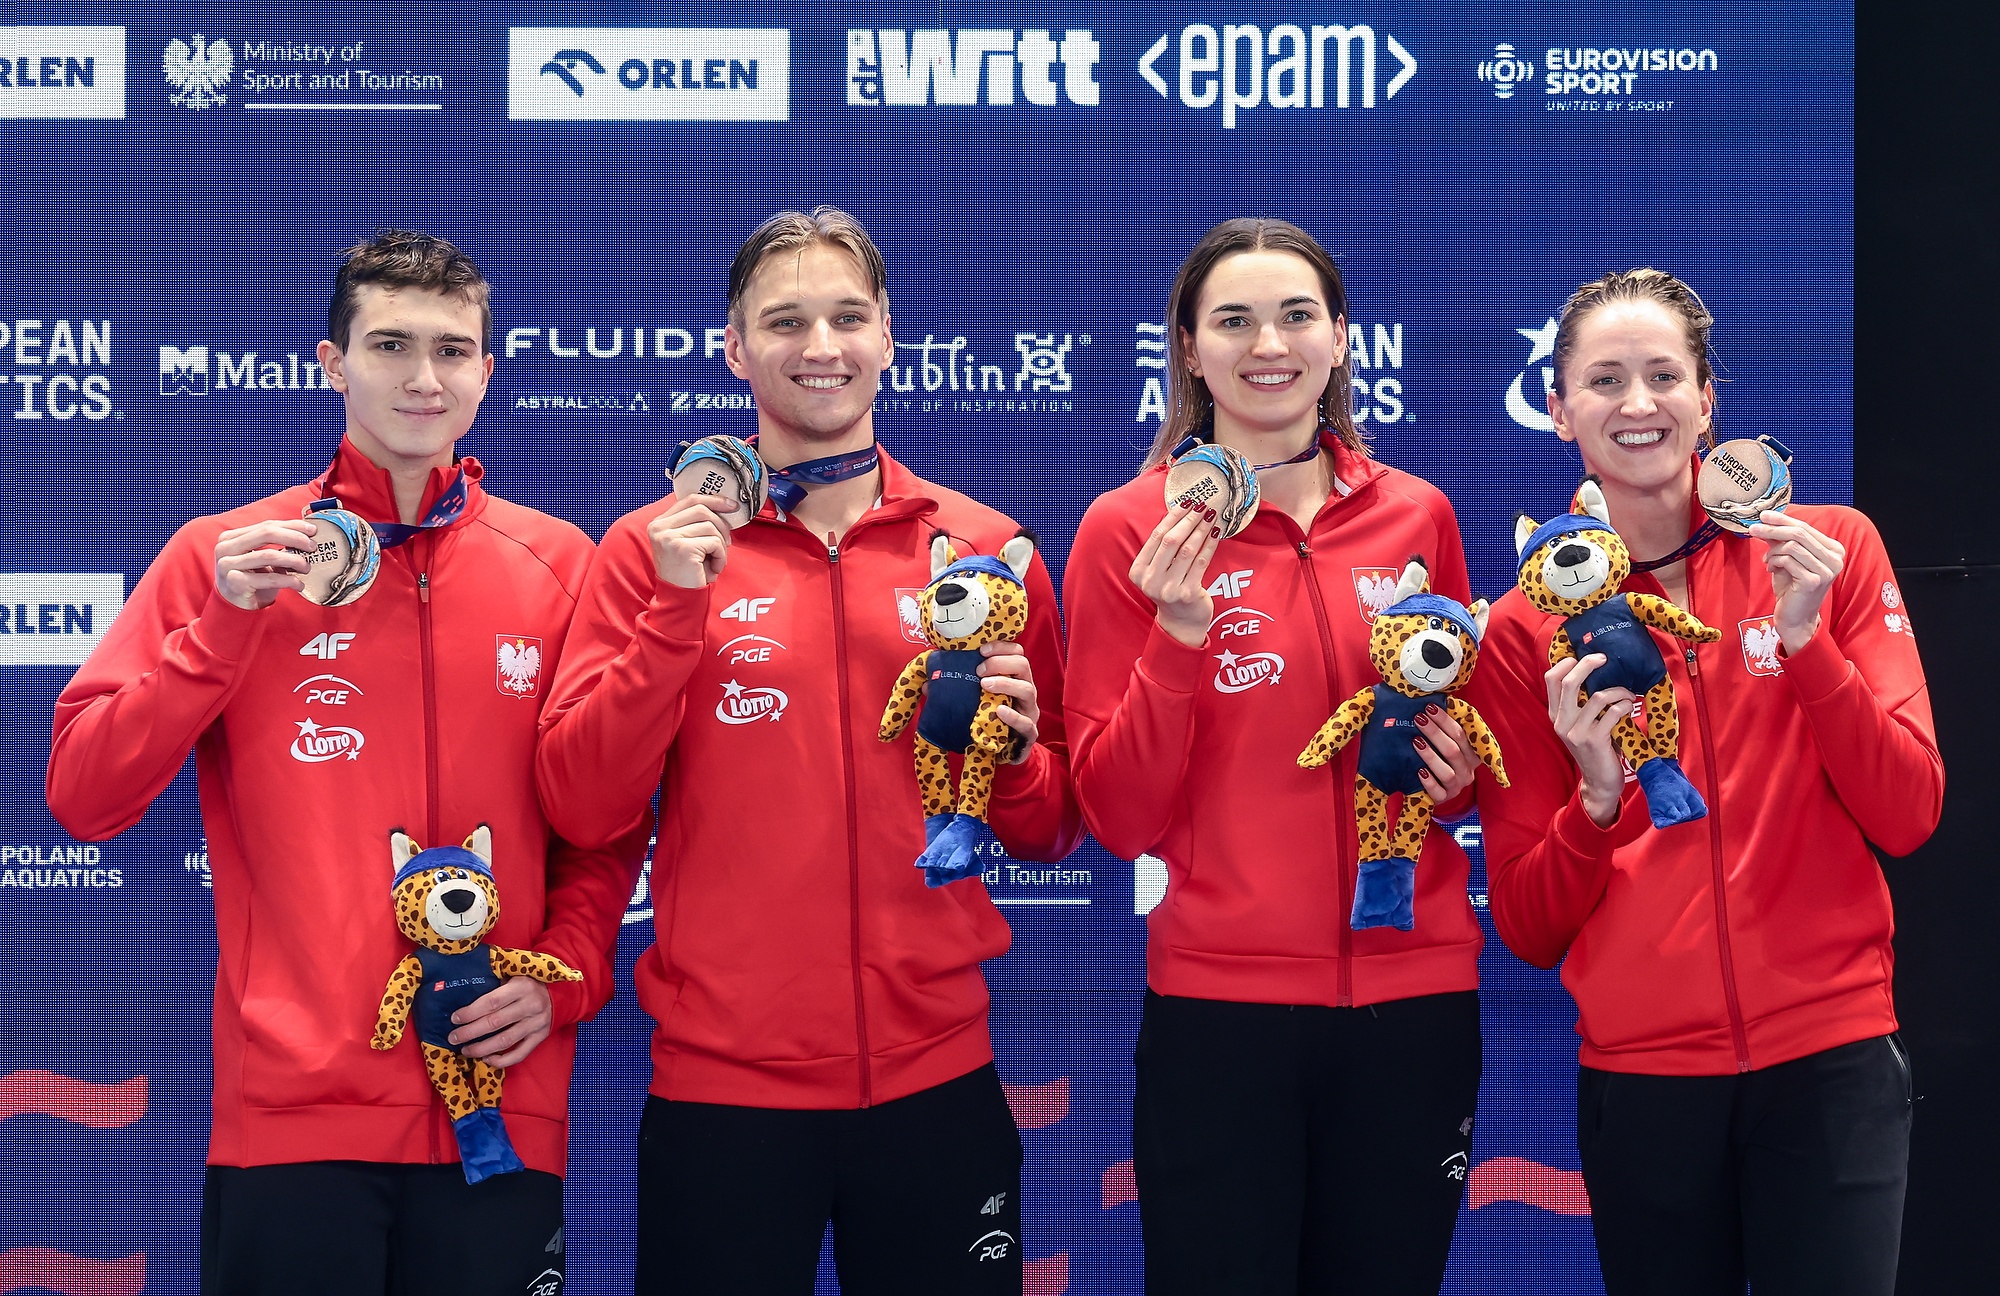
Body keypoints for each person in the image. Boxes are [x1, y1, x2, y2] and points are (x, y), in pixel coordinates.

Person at [46, 230, 641, 1295]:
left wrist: (565, 975)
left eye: (451, 350)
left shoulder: (561, 565)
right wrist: (221, 631)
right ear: (332, 363)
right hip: (294, 1118)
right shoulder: (231, 558)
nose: (423, 378)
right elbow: (85, 795)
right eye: (390, 345)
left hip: (496, 1107)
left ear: (486, 370)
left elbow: (603, 821)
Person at [534, 206, 1081, 1295]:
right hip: (723, 1095)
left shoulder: (984, 548)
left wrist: (1016, 760)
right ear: (735, 349)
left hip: (938, 1085)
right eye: (785, 321)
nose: (819, 346)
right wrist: (674, 614)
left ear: (888, 337)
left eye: (846, 317)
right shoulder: (648, 552)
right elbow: (583, 805)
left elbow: (1052, 826)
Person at [1476, 268, 1942, 1295]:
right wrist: (1596, 804)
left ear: (1704, 400)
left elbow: (1908, 811)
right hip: (1645, 1084)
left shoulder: (1827, 552)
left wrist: (1807, 647)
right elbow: (1527, 923)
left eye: (1662, 375)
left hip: (1830, 1061)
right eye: (1603, 380)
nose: (1636, 403)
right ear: (1558, 411)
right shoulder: (1521, 627)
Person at [1061, 218, 1487, 1295]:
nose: (1268, 344)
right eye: (1233, 320)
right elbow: (1116, 814)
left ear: (1340, 338)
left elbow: (1456, 757)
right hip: (1221, 1013)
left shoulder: (1417, 515)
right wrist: (1178, 637)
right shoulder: (1126, 530)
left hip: (1415, 1002)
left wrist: (1455, 776)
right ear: (1188, 348)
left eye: (1297, 315)